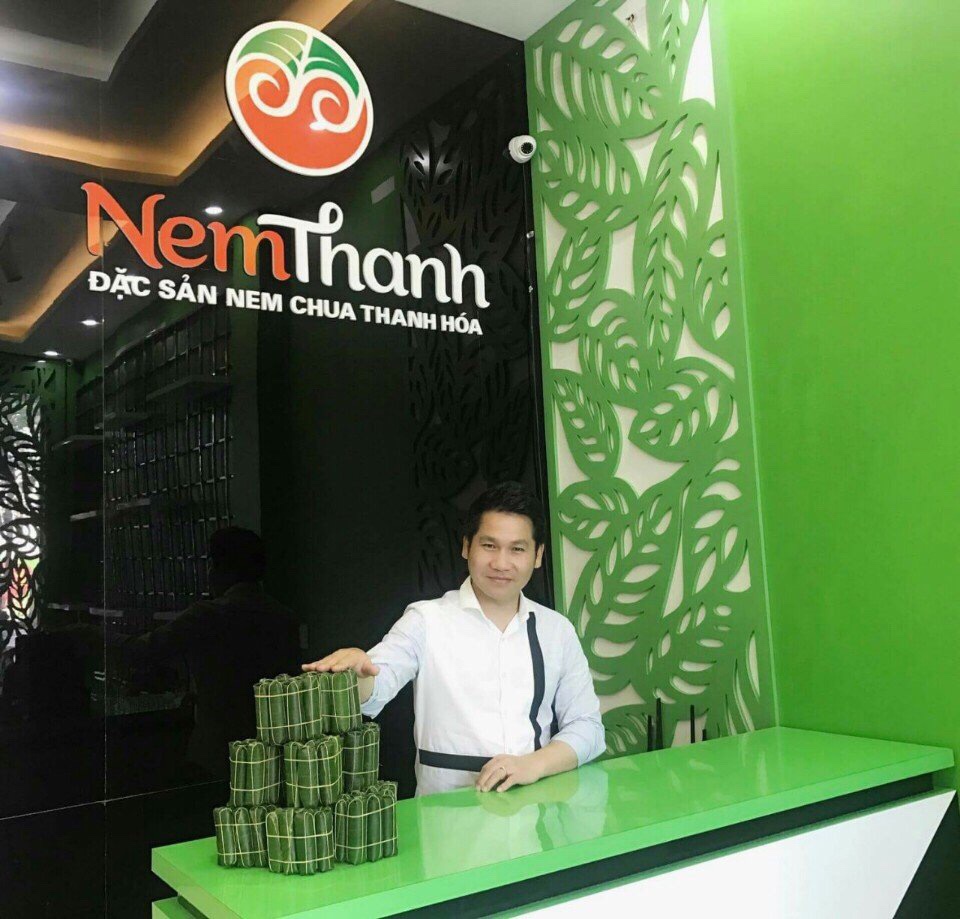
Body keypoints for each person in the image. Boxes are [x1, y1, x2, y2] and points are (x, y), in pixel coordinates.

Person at [302, 482, 605, 796]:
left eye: (517, 549)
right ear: (466, 547)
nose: (501, 563)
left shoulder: (557, 630)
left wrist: (533, 765)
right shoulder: (426, 620)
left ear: (538, 555)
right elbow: (377, 685)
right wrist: (357, 674)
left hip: (534, 808)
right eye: (489, 546)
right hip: (445, 811)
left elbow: (588, 728)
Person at [118, 526, 300, 777]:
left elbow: (143, 649)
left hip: (218, 751)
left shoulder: (209, 615)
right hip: (274, 754)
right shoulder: (285, 618)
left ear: (219, 568)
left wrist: (86, 635)